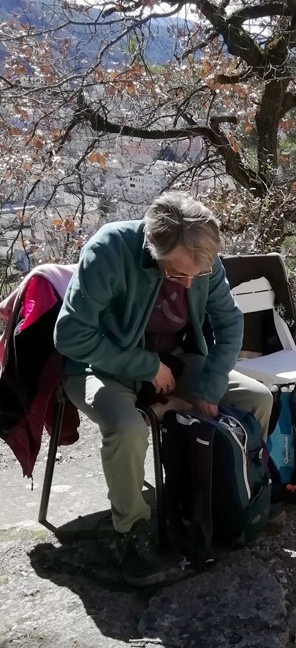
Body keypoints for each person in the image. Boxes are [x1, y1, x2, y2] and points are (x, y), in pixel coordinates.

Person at [54, 192, 273, 586]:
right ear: (152, 246)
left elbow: (229, 325)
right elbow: (70, 335)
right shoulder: (109, 249)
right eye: (177, 274)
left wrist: (209, 386)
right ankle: (131, 532)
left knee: (256, 398)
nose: (188, 283)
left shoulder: (201, 260)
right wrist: (145, 365)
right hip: (99, 366)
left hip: (173, 361)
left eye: (197, 275)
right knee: (127, 428)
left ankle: (230, 496)